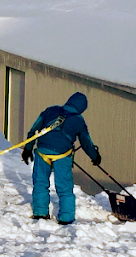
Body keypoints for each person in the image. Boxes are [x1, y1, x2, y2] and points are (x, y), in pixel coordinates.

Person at [21, 91, 100, 225]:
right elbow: (86, 142)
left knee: (40, 183)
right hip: (62, 155)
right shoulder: (79, 120)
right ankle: (66, 218)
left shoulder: (50, 110)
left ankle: (40, 213)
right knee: (64, 187)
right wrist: (95, 156)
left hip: (42, 152)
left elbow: (33, 130)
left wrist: (28, 149)